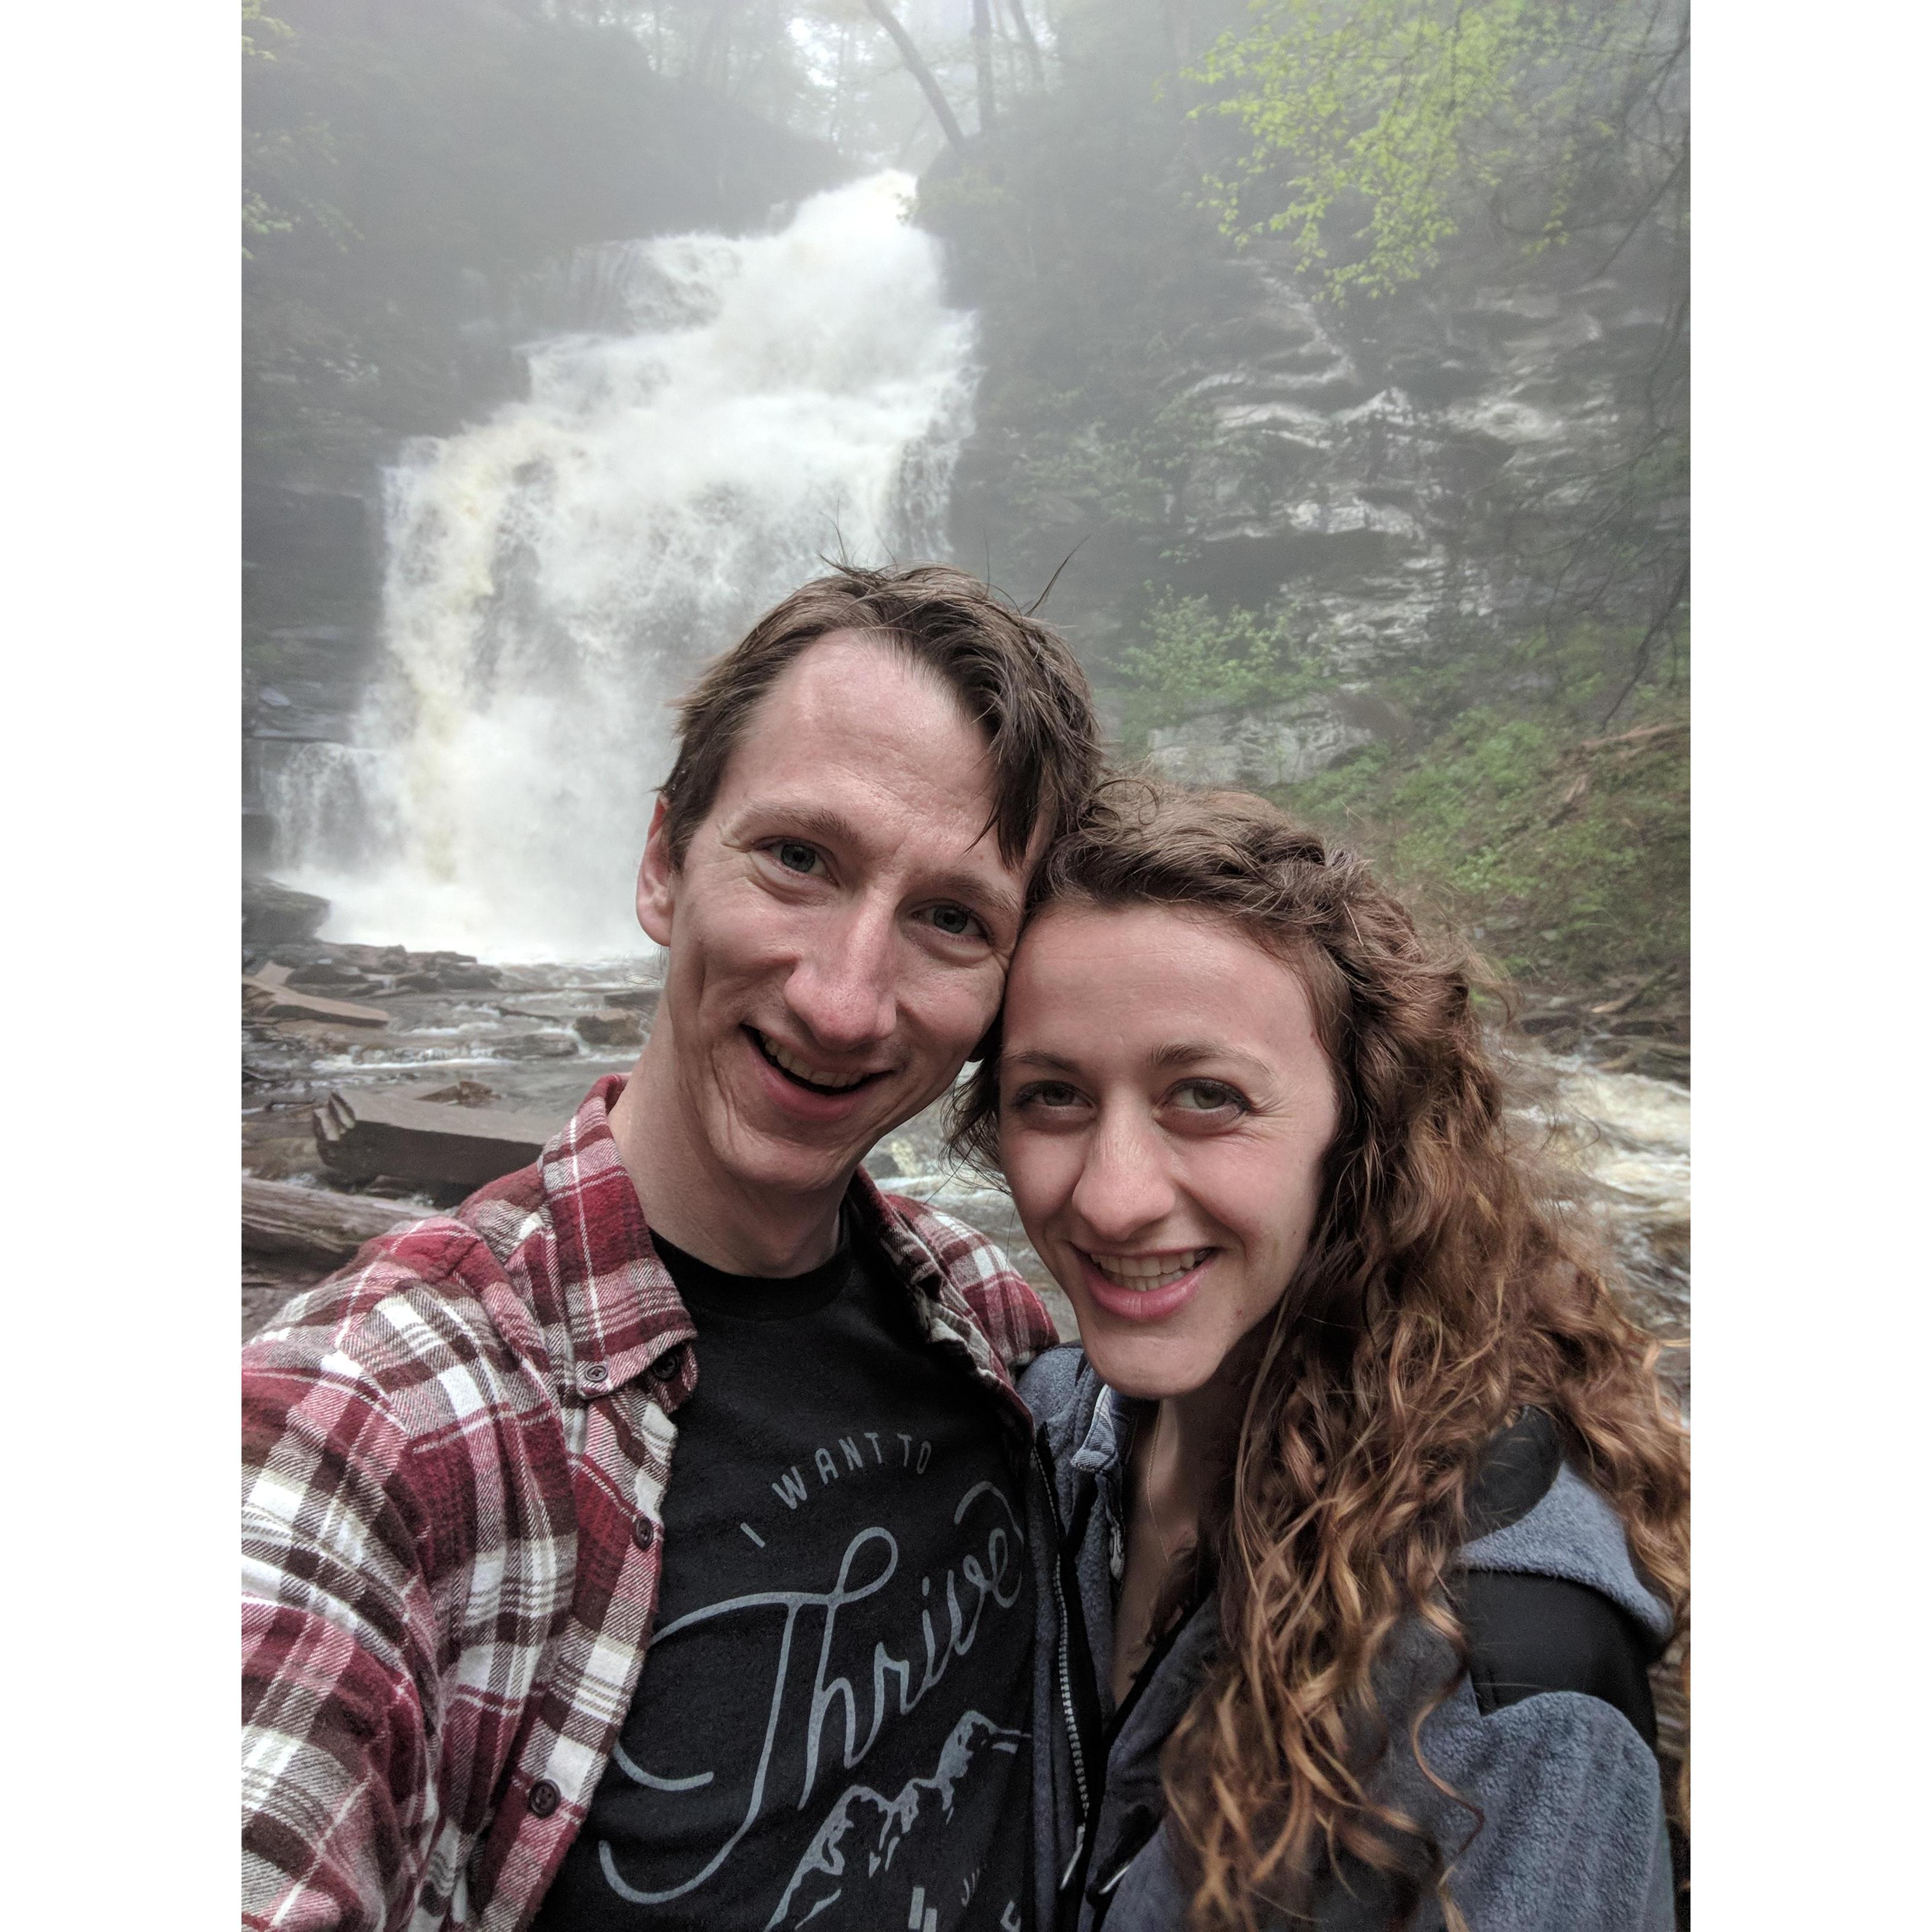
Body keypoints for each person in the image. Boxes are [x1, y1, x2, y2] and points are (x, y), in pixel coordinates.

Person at [242, 565, 1103, 1932]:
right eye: (798, 859)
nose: (842, 1000)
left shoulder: (999, 1331)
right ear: (663, 863)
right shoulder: (379, 1424)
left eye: (952, 918)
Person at [950, 778, 1689, 1932]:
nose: (1111, 1194)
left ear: (1362, 1131)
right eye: (1052, 1095)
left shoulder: (1508, 1685)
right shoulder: (1052, 1430)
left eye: (1206, 1096)